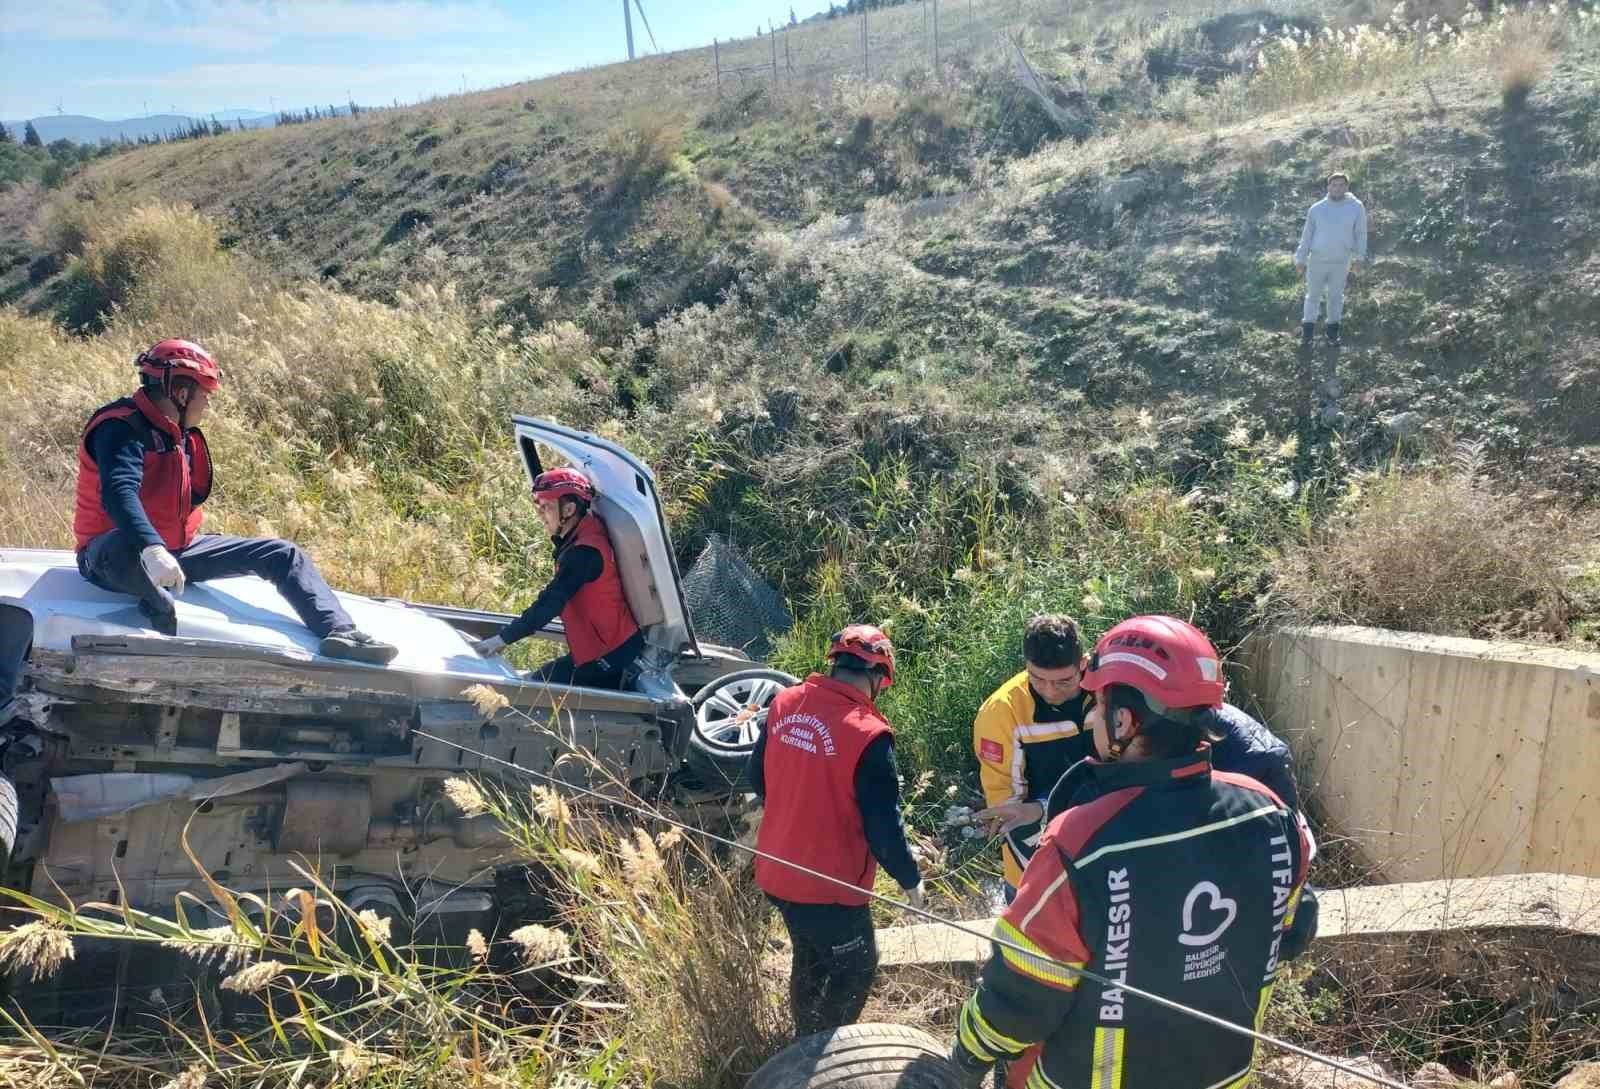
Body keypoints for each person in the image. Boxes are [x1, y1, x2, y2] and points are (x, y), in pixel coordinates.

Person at [950, 615, 1315, 1089]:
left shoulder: (1078, 843)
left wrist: (965, 1057)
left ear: (1123, 719)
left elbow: (1019, 999)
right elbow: (1292, 931)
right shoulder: (1272, 814)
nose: (1090, 717)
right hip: (1225, 1077)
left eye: (1097, 706)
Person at [74, 339, 396, 665]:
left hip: (172, 554)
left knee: (283, 555)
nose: (207, 407)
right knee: (125, 548)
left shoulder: (176, 430)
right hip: (111, 555)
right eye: (205, 397)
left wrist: (162, 552)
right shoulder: (119, 427)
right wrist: (152, 548)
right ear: (181, 394)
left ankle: (340, 632)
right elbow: (119, 492)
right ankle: (156, 604)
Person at [748, 625, 924, 1038]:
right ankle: (819, 1058)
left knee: (809, 954)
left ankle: (802, 1039)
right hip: (828, 889)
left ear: (836, 664)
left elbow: (757, 777)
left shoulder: (784, 702)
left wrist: (804, 799)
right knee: (856, 968)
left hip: (776, 872)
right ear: (879, 676)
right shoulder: (869, 735)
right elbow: (883, 828)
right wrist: (910, 878)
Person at [472, 467, 644, 688]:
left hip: (613, 656)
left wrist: (502, 639)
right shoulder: (583, 533)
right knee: (538, 680)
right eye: (540, 507)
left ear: (570, 509)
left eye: (547, 507)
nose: (540, 515)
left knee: (535, 692)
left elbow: (550, 602)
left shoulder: (584, 553)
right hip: (604, 648)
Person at [971, 614, 1093, 900]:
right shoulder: (1001, 712)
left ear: (1084, 664)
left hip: (1107, 850)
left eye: (1064, 681)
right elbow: (1010, 809)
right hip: (1033, 858)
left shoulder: (1107, 692)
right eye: (1037, 679)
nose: (1051, 691)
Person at [1295, 172, 1368, 346]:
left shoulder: (1356, 207)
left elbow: (1361, 234)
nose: (1337, 188)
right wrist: (1300, 259)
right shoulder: (1317, 209)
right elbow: (1306, 236)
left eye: (1341, 185)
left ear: (1347, 187)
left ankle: (1332, 333)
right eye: (1334, 185)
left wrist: (1359, 257)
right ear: (1328, 187)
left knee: (1335, 297)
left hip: (1341, 261)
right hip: (1317, 260)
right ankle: (1307, 334)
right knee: (1312, 296)